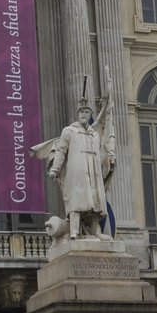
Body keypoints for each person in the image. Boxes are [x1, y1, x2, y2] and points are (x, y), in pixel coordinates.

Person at [45, 97, 115, 240]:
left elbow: (100, 154)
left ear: (90, 115)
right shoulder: (69, 131)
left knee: (96, 202)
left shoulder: (94, 135)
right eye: (82, 111)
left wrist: (109, 158)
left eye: (87, 112)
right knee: (76, 201)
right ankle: (74, 231)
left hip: (93, 172)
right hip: (77, 172)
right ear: (77, 114)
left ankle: (96, 232)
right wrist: (55, 169)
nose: (84, 114)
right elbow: (61, 150)